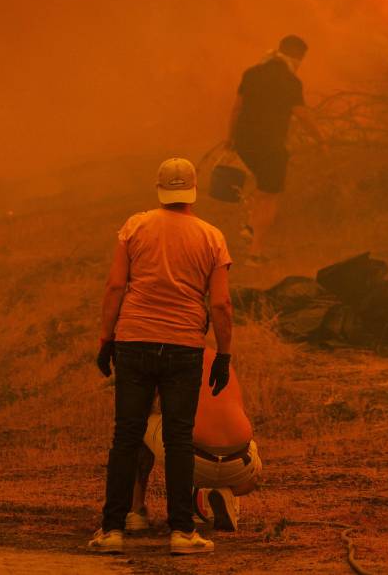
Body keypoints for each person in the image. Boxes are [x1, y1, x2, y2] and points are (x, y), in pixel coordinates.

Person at [88, 158, 234, 556]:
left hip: (133, 342)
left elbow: (116, 286)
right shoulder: (211, 236)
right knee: (179, 439)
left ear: (160, 189)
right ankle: (182, 532)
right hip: (184, 346)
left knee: (126, 436)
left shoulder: (135, 226)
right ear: (193, 190)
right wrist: (223, 354)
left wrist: (106, 339)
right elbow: (220, 304)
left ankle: (112, 530)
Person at [125, 346, 261, 534]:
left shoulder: (168, 355)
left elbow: (142, 405)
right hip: (241, 467)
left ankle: (135, 511)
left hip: (193, 461)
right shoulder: (220, 359)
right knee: (245, 445)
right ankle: (224, 493)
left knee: (137, 425)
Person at [226, 34, 324, 264]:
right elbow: (301, 115)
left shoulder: (251, 73)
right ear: (298, 57)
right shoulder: (290, 81)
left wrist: (230, 140)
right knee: (271, 196)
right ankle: (255, 253)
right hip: (271, 145)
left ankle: (250, 227)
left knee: (263, 186)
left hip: (244, 142)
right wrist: (321, 139)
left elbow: (236, 109)